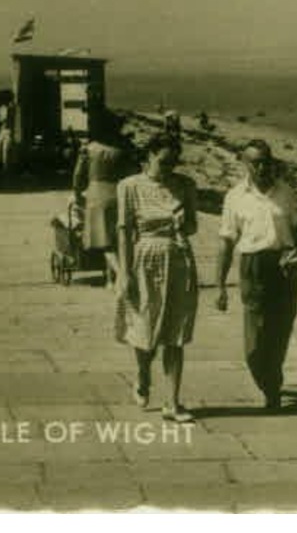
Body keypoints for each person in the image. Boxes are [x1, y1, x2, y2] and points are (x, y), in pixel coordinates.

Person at [214, 139, 297, 411]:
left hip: (284, 266)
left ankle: (273, 386)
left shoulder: (286, 192)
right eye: (256, 162)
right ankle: (266, 379)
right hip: (254, 265)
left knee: (282, 328)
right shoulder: (235, 197)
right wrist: (220, 285)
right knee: (255, 340)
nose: (263, 166)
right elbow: (226, 242)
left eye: (267, 160)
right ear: (244, 163)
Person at [115, 132, 200, 422]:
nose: (169, 168)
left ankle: (172, 403)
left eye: (174, 162)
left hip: (179, 258)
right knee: (145, 331)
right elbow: (124, 231)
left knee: (175, 333)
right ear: (149, 156)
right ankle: (142, 375)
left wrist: (182, 221)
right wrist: (124, 272)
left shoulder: (186, 185)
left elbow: (192, 228)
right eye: (164, 162)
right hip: (145, 260)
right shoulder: (129, 186)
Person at [71, 112, 134, 285]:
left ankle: (118, 274)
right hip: (121, 191)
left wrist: (77, 194)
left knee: (104, 241)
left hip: (97, 194)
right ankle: (110, 278)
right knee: (119, 238)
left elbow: (78, 175)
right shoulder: (125, 146)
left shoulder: (90, 149)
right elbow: (134, 171)